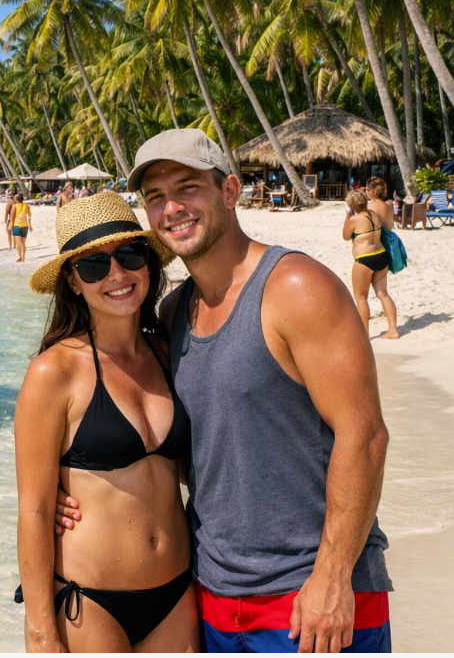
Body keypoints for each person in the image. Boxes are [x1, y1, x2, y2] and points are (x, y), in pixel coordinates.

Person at [56, 132, 392, 653]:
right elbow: (183, 444)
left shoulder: (296, 288)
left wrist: (332, 575)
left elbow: (365, 435)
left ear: (230, 191)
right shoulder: (172, 316)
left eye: (188, 187)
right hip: (211, 595)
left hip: (313, 596)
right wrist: (73, 492)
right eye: (155, 197)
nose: (172, 208)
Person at [15, 193, 195, 652]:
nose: (116, 275)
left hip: (178, 591)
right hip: (90, 602)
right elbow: (33, 510)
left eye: (129, 256)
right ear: (73, 282)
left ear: (148, 265)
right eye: (94, 265)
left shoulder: (168, 351)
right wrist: (40, 632)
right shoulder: (53, 373)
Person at [344, 190, 399, 340]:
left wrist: (348, 216)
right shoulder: (375, 215)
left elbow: (345, 236)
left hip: (365, 259)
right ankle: (393, 330)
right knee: (383, 293)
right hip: (381, 256)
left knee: (361, 297)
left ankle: (365, 334)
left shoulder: (355, 220)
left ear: (352, 204)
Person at [11, 193, 32, 262]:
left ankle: (20, 256)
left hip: (16, 226)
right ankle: (23, 257)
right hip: (25, 226)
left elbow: (12, 217)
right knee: (23, 243)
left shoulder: (14, 206)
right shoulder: (26, 205)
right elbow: (29, 216)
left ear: (16, 199)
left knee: (18, 243)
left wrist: (11, 226)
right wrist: (30, 225)